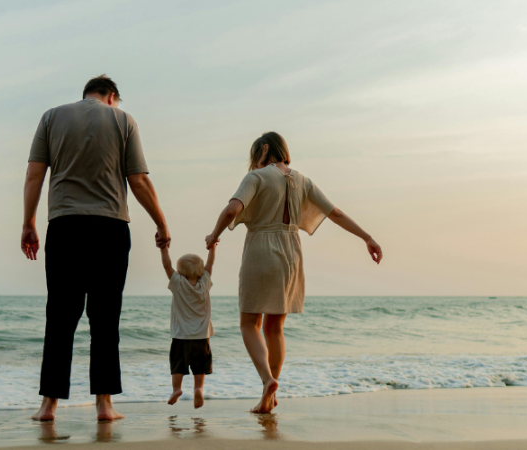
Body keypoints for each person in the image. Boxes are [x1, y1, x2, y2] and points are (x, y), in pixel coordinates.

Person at [21, 75, 171, 421]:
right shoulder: (123, 120)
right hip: (110, 228)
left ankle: (48, 406)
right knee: (105, 319)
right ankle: (104, 405)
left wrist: (28, 222)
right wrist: (161, 222)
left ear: (86, 94)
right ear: (112, 96)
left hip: (64, 226)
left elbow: (34, 175)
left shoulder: (51, 117)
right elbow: (138, 180)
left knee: (60, 318)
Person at [205, 132, 382, 414]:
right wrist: (367, 237)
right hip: (292, 252)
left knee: (249, 324)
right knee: (275, 328)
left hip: (261, 249)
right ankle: (268, 397)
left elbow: (231, 210)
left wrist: (213, 235)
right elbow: (335, 213)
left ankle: (267, 380)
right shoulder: (302, 180)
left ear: (264, 149)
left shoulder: (256, 177)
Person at [159, 243, 217, 409]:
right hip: (202, 337)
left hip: (181, 336)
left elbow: (166, 266)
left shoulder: (177, 283)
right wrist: (212, 248)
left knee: (178, 365)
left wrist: (164, 249)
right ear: (201, 271)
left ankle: (177, 389)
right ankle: (198, 388)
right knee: (200, 367)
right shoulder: (205, 282)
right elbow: (210, 264)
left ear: (179, 272)